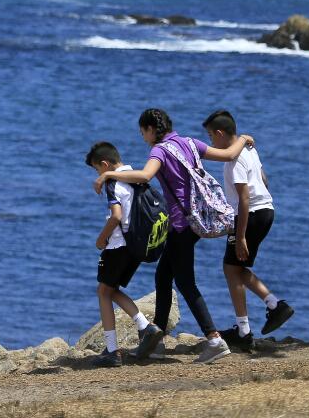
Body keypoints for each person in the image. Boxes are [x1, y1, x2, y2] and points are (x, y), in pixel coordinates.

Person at [95, 108, 253, 365]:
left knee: (185, 283)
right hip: (196, 221)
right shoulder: (190, 142)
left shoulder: (159, 150)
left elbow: (145, 175)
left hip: (181, 225)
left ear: (150, 129)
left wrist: (110, 174)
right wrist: (244, 138)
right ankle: (155, 342)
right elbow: (228, 154)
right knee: (163, 276)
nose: (142, 137)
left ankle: (214, 340)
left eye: (142, 132)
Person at [203, 109, 293, 349]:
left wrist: (240, 236)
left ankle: (246, 330)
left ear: (221, 134)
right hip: (267, 210)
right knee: (236, 268)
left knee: (231, 268)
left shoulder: (233, 163)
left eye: (212, 137)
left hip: (250, 215)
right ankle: (272, 307)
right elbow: (263, 178)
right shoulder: (250, 149)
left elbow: (243, 199)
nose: (212, 141)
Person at [86, 141, 160, 368]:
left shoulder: (112, 182)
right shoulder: (135, 177)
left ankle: (112, 350)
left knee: (103, 292)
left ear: (105, 164)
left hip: (117, 246)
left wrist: (101, 238)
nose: (99, 174)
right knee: (110, 290)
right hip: (136, 245)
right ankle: (144, 326)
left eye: (97, 169)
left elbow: (116, 216)